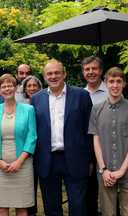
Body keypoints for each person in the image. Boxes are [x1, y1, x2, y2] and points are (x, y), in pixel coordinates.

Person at [31, 60, 93, 216]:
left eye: (57, 72)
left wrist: (91, 160)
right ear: (44, 77)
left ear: (64, 74)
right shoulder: (37, 98)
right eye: (49, 74)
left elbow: (89, 130)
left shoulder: (81, 95)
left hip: (75, 159)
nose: (53, 76)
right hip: (47, 160)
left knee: (78, 206)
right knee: (51, 208)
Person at [88, 67, 128, 216]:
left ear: (124, 83)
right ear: (105, 83)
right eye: (111, 81)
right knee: (108, 213)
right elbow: (96, 141)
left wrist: (122, 170)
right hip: (105, 173)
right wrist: (103, 169)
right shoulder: (96, 110)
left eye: (119, 81)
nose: (115, 85)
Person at [0, 74, 37, 216]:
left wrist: (19, 162)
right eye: (3, 86)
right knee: (1, 207)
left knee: (22, 207)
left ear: (16, 88)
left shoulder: (28, 110)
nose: (7, 89)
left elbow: (32, 137)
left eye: (10, 86)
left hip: (23, 165)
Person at [81, 56, 108, 216]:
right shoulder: (78, 95)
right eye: (87, 69)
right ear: (83, 72)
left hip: (107, 151)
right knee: (88, 196)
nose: (91, 72)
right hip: (85, 152)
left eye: (94, 68)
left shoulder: (112, 91)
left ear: (101, 71)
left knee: (109, 197)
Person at [19, 75, 42, 216]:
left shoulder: (46, 104)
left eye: (35, 85)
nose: (32, 88)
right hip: (28, 152)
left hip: (43, 150)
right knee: (29, 185)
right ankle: (29, 212)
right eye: (29, 86)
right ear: (25, 89)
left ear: (40, 88)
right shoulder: (22, 108)